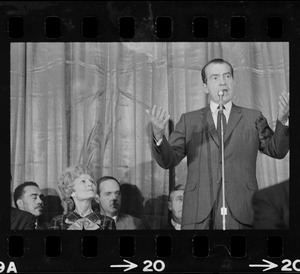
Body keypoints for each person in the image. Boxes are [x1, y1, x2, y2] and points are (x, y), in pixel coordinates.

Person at [146, 58, 289, 230]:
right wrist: (159, 136)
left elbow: (277, 150)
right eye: (215, 78)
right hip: (198, 211)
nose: (223, 82)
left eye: (227, 76)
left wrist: (283, 121)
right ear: (205, 87)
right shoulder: (189, 120)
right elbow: (169, 160)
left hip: (242, 210)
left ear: (234, 82)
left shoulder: (253, 117)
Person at [48, 165, 115, 230]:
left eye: (91, 181)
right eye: (83, 181)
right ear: (71, 191)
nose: (90, 184)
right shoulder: (59, 221)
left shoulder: (107, 222)